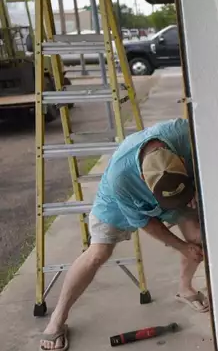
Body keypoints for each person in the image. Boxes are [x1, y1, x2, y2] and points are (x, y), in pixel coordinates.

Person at [40, 118, 208, 351]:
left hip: (177, 189)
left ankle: (185, 288)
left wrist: (195, 189)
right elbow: (147, 224)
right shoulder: (121, 178)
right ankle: (57, 319)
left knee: (197, 237)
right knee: (98, 253)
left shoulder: (183, 132)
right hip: (117, 204)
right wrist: (180, 246)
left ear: (179, 158)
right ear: (142, 178)